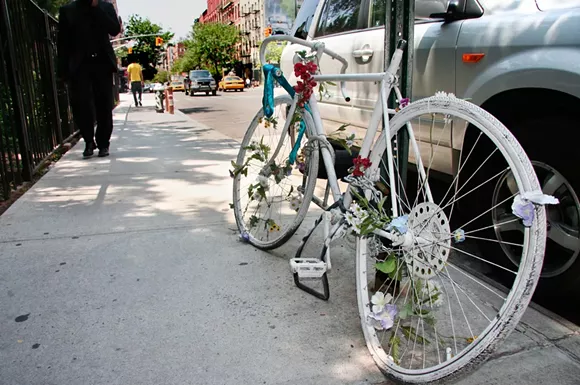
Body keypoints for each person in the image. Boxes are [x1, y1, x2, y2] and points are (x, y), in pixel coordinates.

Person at [57, 0, 121, 159]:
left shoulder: (105, 7)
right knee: (81, 105)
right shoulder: (67, 10)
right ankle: (88, 140)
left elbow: (114, 30)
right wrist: (62, 71)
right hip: (79, 67)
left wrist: (96, 8)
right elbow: (62, 43)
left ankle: (103, 143)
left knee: (104, 105)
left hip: (102, 64)